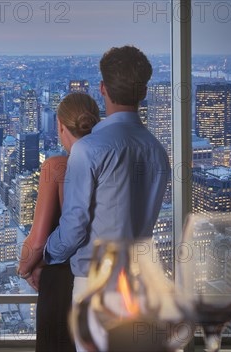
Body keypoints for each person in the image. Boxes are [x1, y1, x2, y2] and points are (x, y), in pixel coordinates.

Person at [43, 46, 171, 351]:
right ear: (143, 91)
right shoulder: (158, 152)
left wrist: (48, 251)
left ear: (103, 89)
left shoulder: (88, 150)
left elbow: (75, 227)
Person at [17, 92, 101, 352]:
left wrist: (25, 269)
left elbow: (38, 239)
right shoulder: (109, 164)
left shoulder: (56, 167)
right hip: (100, 281)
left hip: (60, 283)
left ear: (60, 126)